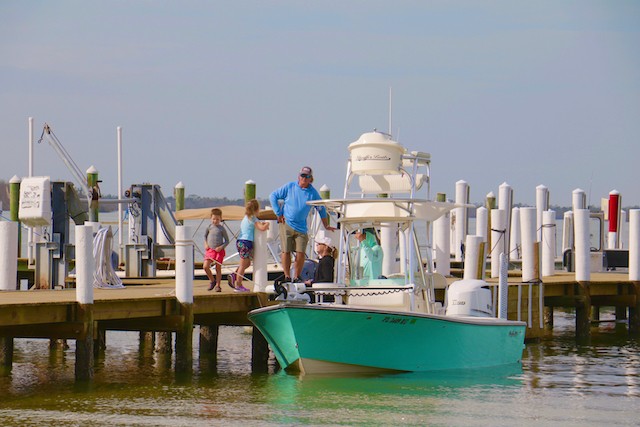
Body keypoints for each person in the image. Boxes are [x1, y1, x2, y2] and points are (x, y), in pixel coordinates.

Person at [270, 166, 335, 283]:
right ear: (299, 176)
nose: (304, 178)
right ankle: (287, 276)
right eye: (302, 175)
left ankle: (296, 276)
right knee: (286, 251)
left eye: (307, 176)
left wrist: (326, 225)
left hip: (301, 227)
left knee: (301, 252)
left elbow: (321, 208)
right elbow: (273, 196)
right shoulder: (290, 186)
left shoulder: (313, 192)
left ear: (311, 179)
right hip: (286, 223)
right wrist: (278, 213)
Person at [228, 199, 269, 292]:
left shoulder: (246, 218)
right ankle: (238, 285)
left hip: (240, 241)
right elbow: (262, 228)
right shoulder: (254, 219)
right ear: (257, 209)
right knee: (243, 265)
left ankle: (234, 275)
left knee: (247, 263)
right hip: (246, 242)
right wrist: (267, 223)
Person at [203, 208, 229, 292]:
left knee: (218, 268)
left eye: (217, 219)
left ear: (220, 219)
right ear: (211, 218)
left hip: (219, 251)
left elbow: (227, 241)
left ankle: (218, 285)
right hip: (210, 250)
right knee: (205, 266)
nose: (215, 221)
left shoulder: (222, 229)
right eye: (214, 219)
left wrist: (221, 247)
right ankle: (212, 280)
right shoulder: (209, 227)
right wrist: (206, 244)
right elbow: (205, 236)